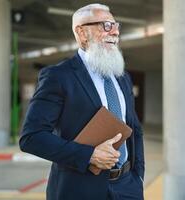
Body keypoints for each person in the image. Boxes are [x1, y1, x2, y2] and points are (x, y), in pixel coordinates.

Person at [19, 3, 144, 200]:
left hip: (127, 187)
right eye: (107, 25)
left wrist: (138, 177)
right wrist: (89, 155)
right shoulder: (58, 76)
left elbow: (134, 129)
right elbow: (32, 138)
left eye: (116, 25)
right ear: (82, 32)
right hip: (78, 190)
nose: (116, 32)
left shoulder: (123, 77)